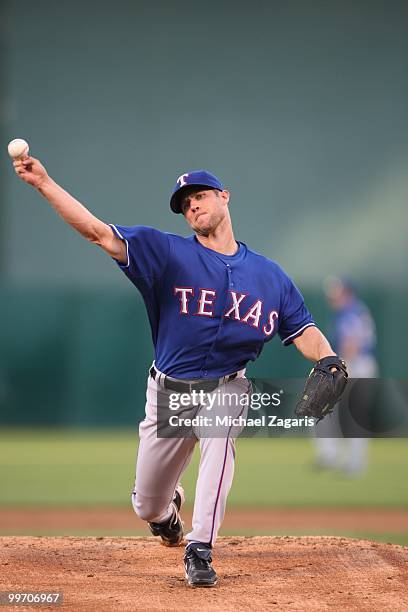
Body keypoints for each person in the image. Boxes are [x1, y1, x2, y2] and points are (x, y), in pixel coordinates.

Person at [13, 156, 342, 587]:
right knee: (146, 506)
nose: (193, 207)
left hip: (227, 385)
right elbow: (96, 232)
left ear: (224, 197)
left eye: (200, 196)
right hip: (168, 393)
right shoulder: (166, 252)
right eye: (186, 204)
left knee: (222, 432)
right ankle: (167, 515)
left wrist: (330, 359)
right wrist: (44, 183)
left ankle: (200, 547)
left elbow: (304, 330)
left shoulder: (269, 277)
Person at [314, 276, 378, 475]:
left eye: (338, 293)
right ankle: (339, 458)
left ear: (347, 293)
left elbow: (351, 345)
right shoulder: (355, 310)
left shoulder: (349, 313)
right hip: (360, 365)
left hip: (355, 365)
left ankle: (345, 460)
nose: (333, 297)